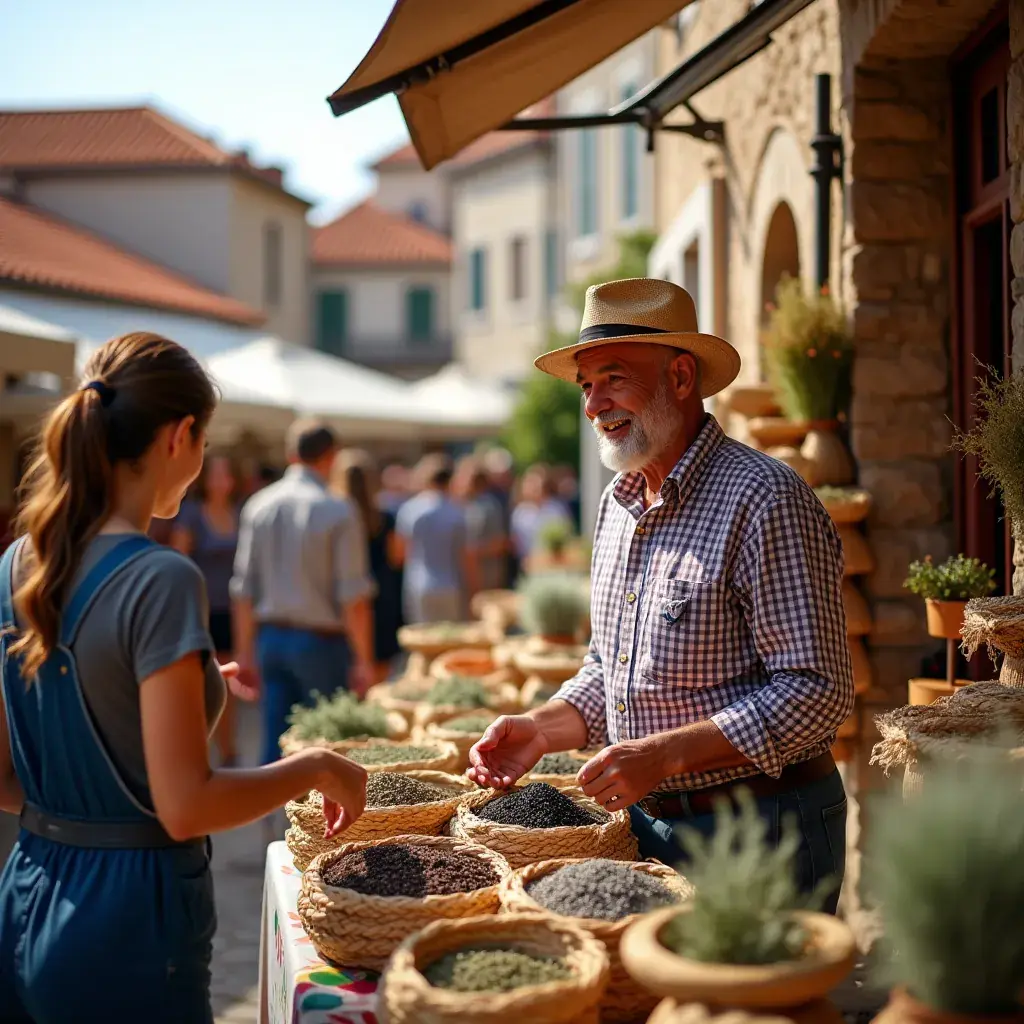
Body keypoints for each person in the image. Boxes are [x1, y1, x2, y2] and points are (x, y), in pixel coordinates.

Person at [0, 333, 367, 1023]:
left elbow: (5, 774)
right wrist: (315, 766)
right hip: (128, 923)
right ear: (180, 435)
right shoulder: (158, 577)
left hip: (26, 895)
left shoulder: (18, 562)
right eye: (206, 442)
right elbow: (186, 807)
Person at [468, 279, 854, 913]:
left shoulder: (763, 498)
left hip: (763, 829)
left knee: (749, 1013)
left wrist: (667, 753)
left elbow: (817, 692)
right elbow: (610, 669)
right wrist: (541, 729)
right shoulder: (618, 504)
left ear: (680, 377)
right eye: (586, 385)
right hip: (653, 826)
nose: (594, 405)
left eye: (614, 378)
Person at [231, 420, 375, 770]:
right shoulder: (337, 508)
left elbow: (243, 589)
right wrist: (364, 659)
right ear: (332, 456)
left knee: (275, 742)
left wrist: (244, 652)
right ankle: (316, 823)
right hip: (321, 644)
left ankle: (270, 821)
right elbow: (352, 596)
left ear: (290, 454)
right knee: (326, 746)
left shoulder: (258, 505)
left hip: (271, 640)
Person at [170, 454, 241, 766]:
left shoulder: (239, 513)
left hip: (233, 611)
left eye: (226, 474)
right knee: (200, 684)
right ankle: (197, 752)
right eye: (216, 475)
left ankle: (228, 750)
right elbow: (177, 561)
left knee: (229, 682)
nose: (221, 481)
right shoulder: (191, 515)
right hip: (200, 611)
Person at [331, 449, 403, 684]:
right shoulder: (385, 517)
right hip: (382, 598)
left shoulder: (335, 518)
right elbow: (397, 557)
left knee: (349, 673)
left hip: (344, 601)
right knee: (378, 677)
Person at [394, 453, 473, 623]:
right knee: (449, 637)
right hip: (450, 585)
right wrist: (473, 589)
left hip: (418, 584)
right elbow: (465, 557)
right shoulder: (457, 512)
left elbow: (398, 554)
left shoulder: (409, 509)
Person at [454, 456, 508, 594]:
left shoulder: (489, 506)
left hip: (486, 575)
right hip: (463, 575)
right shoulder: (460, 504)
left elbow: (499, 543)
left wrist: (473, 552)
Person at [509, 465, 573, 569]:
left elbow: (566, 536)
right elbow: (517, 544)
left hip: (554, 564)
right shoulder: (519, 513)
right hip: (527, 565)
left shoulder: (556, 508)